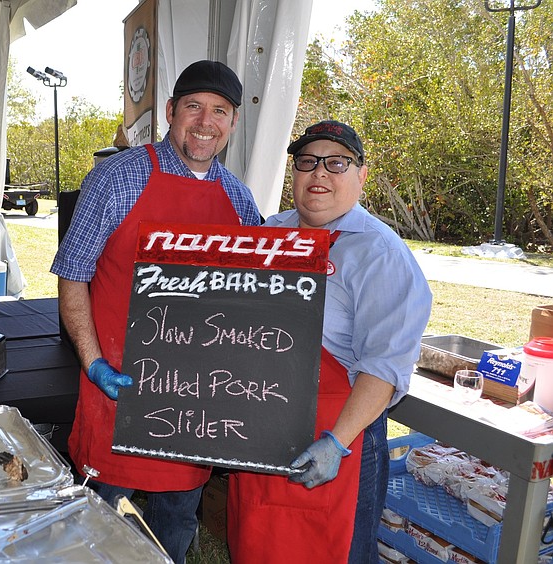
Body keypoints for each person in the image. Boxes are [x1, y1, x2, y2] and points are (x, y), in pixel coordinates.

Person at [50, 60, 261, 564]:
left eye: (219, 112)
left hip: (192, 404)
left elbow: (253, 297)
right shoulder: (117, 178)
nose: (205, 122)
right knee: (97, 528)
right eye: (193, 107)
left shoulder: (238, 199)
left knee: (176, 523)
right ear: (171, 112)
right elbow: (73, 275)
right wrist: (93, 361)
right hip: (115, 389)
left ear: (232, 124)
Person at [226, 120, 432, 563]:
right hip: (260, 423)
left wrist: (336, 442)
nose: (319, 173)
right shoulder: (268, 235)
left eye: (336, 163)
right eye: (307, 162)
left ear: (360, 176)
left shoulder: (380, 254)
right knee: (255, 542)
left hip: (338, 436)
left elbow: (384, 365)